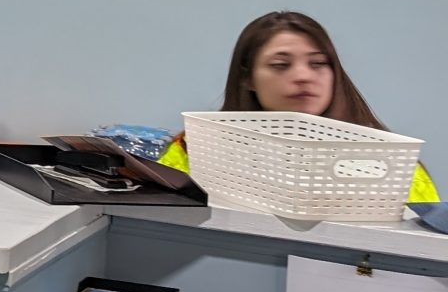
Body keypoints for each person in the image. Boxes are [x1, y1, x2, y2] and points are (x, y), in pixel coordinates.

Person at [163, 12, 437, 203]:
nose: (303, 76)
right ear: (248, 78)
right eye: (280, 65)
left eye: (318, 63)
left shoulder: (391, 163)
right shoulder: (194, 149)